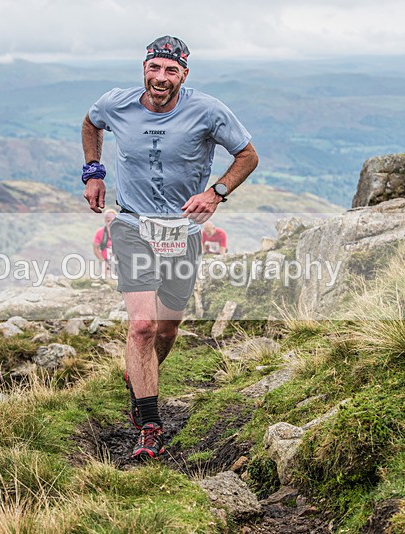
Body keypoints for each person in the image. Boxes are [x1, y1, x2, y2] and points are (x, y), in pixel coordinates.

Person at [81, 36, 258, 460]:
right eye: (155, 68)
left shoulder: (208, 111)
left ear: (184, 75)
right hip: (132, 224)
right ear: (144, 67)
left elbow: (247, 155)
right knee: (142, 326)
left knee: (166, 328)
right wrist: (93, 172)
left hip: (183, 230)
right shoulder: (116, 103)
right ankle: (149, 425)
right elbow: (91, 123)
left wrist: (216, 193)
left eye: (171, 71)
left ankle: (141, 376)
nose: (161, 78)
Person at [93, 209, 117, 276]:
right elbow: (95, 248)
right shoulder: (100, 232)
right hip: (105, 260)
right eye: (108, 220)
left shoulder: (120, 232)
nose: (109, 223)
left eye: (112, 220)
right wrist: (102, 260)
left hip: (118, 259)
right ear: (105, 220)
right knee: (106, 275)